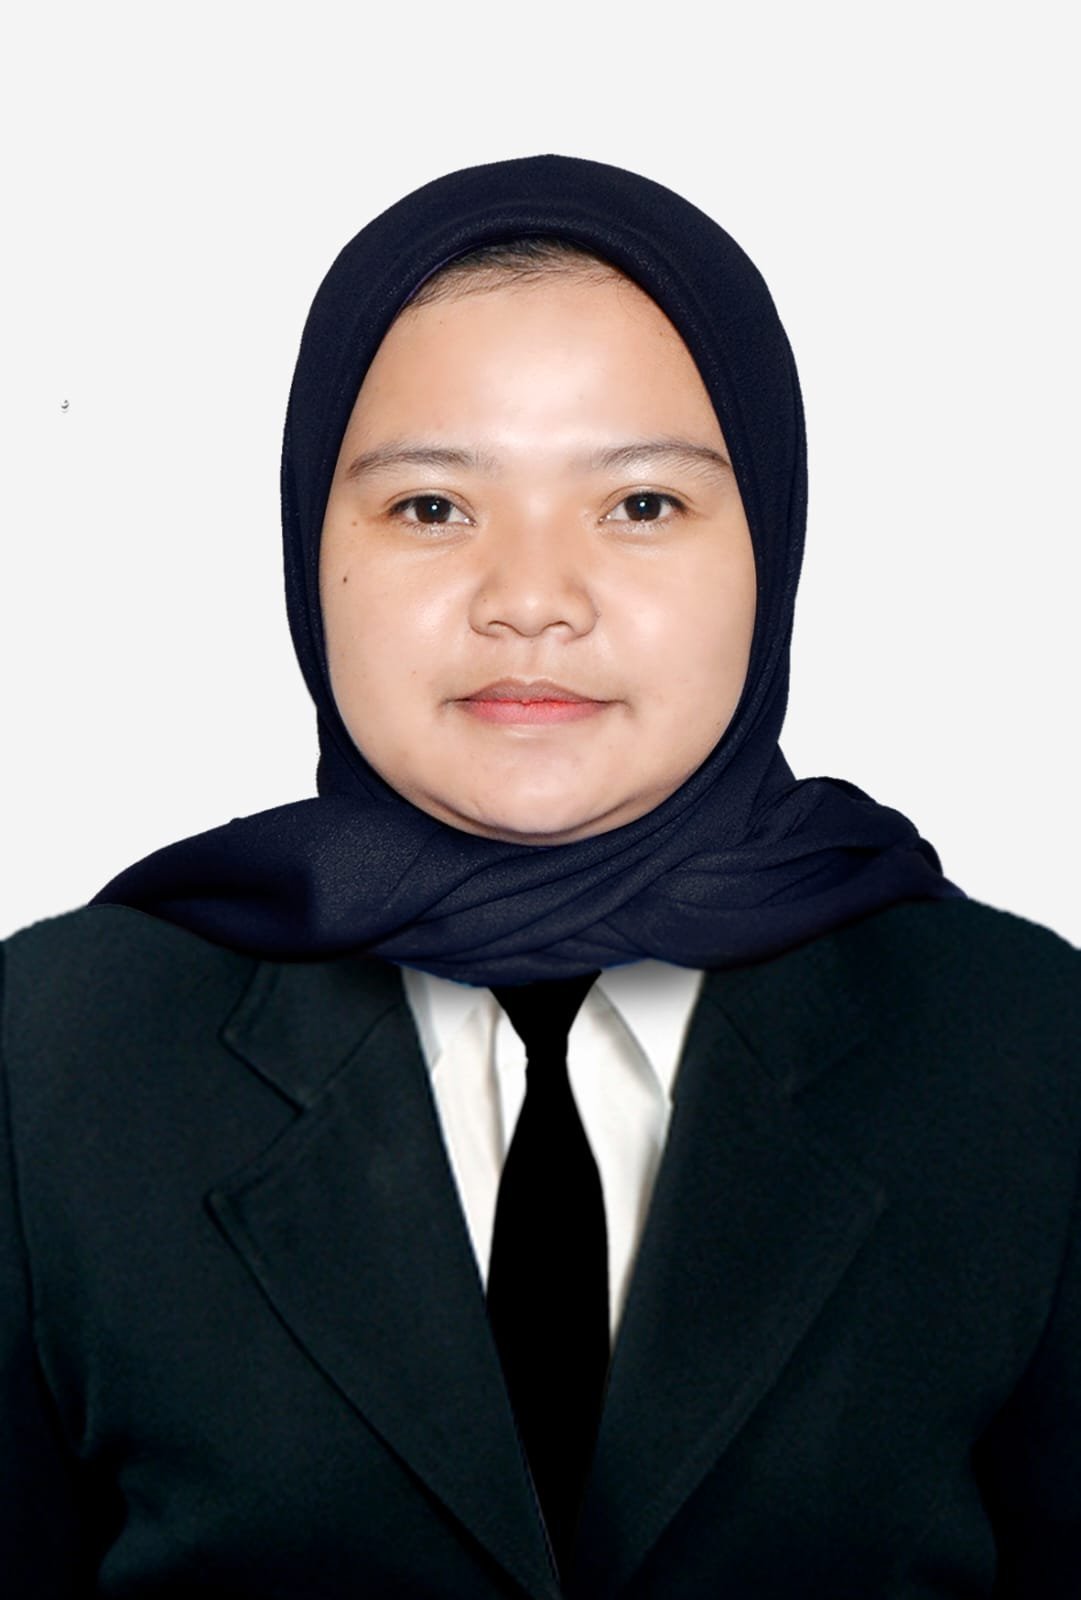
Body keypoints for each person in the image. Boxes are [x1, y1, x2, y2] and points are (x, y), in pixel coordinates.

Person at [1, 153, 1078, 1598]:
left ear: (770, 542)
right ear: (309, 541)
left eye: (640, 504)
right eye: (430, 508)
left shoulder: (1025, 1048)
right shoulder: (53, 1053)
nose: (529, 601)